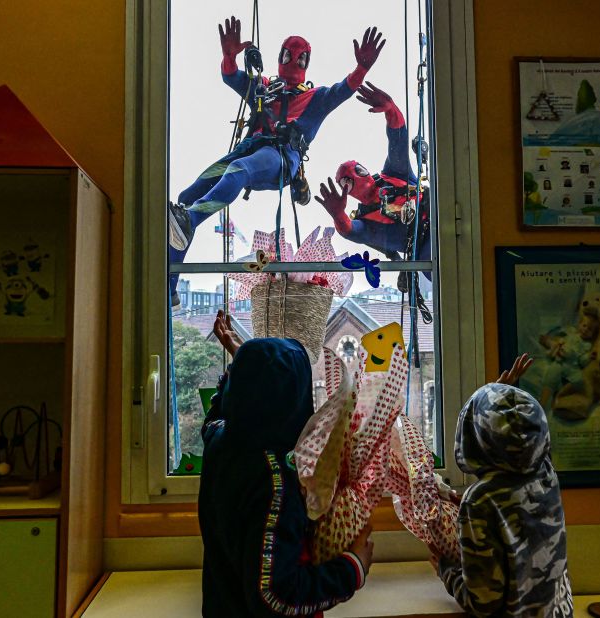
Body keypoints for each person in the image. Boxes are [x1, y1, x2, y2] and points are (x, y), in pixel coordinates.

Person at [168, 17, 386, 306]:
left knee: (238, 171)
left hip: (281, 157)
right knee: (188, 196)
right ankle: (171, 285)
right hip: (250, 148)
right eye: (288, 55)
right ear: (280, 56)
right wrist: (229, 57)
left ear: (306, 63)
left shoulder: (315, 98)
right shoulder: (264, 88)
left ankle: (191, 220)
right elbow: (232, 78)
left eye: (300, 58)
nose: (293, 62)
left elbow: (342, 90)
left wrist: (362, 68)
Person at [199, 310, 374, 617]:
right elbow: (275, 596)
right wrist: (352, 568)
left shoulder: (219, 441)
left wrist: (244, 367)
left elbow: (219, 412)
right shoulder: (275, 483)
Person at [431, 355, 573, 618]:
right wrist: (497, 395)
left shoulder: (481, 500)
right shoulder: (545, 472)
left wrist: (446, 570)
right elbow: (522, 439)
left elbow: (483, 603)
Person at [314, 82, 431, 273]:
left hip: (440, 215)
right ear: (347, 193)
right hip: (426, 251)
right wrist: (338, 215)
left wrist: (391, 109)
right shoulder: (366, 221)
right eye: (347, 182)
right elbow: (349, 230)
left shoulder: (393, 173)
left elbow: (397, 140)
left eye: (357, 170)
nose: (356, 177)